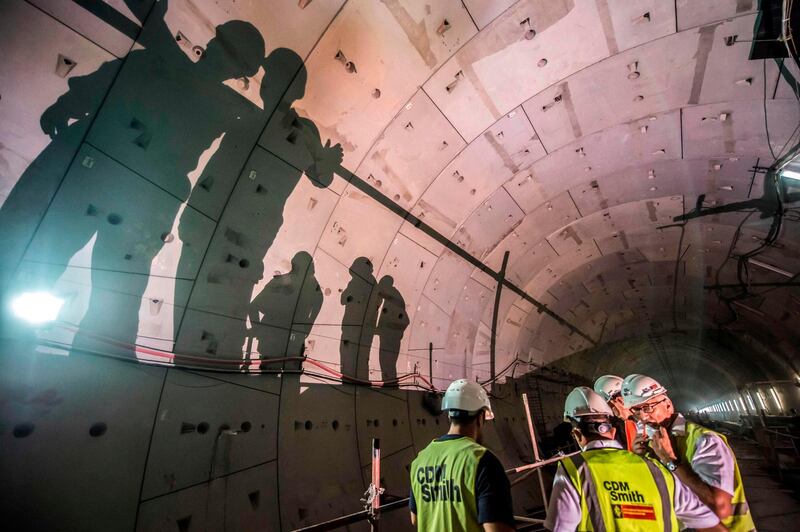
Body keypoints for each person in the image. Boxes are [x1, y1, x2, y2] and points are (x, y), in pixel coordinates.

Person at [545, 387, 724, 532]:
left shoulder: (573, 469)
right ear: (613, 431)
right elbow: (710, 524)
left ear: (576, 434)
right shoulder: (658, 469)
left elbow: (560, 528)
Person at [622, 374, 754, 531]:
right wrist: (641, 460)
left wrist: (670, 460)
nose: (643, 416)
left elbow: (719, 507)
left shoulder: (705, 441)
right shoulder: (652, 445)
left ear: (668, 404)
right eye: (636, 411)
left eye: (648, 408)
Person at [409, 379, 515, 531]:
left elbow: (416, 519)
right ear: (480, 418)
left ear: (450, 416)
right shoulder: (483, 461)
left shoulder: (420, 459)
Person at [594, 375, 638, 451]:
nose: (612, 413)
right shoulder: (626, 425)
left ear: (618, 400)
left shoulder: (646, 420)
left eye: (609, 407)